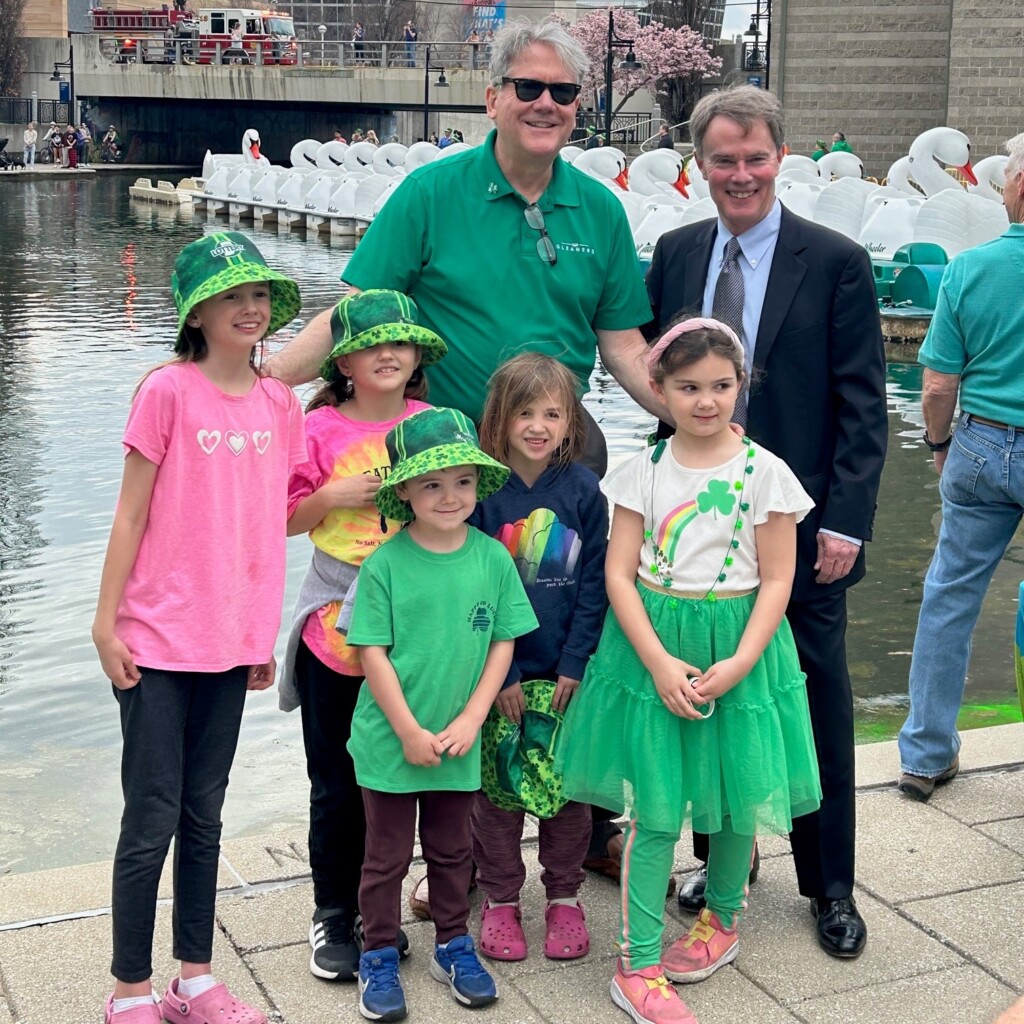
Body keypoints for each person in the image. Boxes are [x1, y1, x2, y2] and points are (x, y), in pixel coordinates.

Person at [646, 85, 887, 959]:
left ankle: (831, 883)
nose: (739, 174)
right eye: (722, 159)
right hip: (701, 531)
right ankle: (720, 863)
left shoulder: (834, 261)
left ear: (778, 158)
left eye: (754, 158)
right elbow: (659, 384)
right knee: (711, 691)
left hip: (804, 529)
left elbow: (865, 407)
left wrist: (847, 523)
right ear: (698, 164)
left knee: (816, 698)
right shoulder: (674, 255)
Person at [559, 317, 821, 1024]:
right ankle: (637, 961)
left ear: (741, 385)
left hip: (742, 642)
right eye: (688, 387)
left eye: (721, 386)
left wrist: (740, 659)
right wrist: (657, 660)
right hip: (653, 644)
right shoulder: (641, 470)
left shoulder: (765, 472)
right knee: (656, 810)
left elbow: (776, 579)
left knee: (736, 795)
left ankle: (722, 921)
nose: (706, 401)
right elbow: (617, 573)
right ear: (659, 388)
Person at [265, 21, 658, 481]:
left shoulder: (603, 210)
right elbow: (356, 316)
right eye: (528, 87)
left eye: (564, 92)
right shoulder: (429, 193)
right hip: (446, 453)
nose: (546, 104)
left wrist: (696, 415)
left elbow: (624, 345)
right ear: (493, 100)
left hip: (550, 448)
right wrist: (255, 379)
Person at [91, 232, 306, 1024]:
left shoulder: (279, 403)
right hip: (154, 639)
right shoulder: (167, 392)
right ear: (197, 311)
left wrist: (257, 637)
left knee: (205, 814)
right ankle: (128, 990)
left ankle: (194, 978)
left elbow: (258, 523)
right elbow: (131, 511)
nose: (249, 308)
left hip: (228, 643)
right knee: (149, 817)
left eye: (257, 296)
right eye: (231, 296)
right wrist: (105, 622)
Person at [345, 407, 538, 1022]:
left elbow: (504, 640)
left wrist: (475, 716)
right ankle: (377, 950)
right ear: (404, 490)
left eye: (460, 481)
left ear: (477, 484)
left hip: (459, 738)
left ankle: (453, 943)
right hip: (390, 740)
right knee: (386, 857)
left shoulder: (491, 558)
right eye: (430, 483)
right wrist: (406, 730)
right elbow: (370, 650)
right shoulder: (384, 565)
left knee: (455, 850)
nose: (448, 496)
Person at [277, 290, 446, 982]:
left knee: (407, 775)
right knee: (338, 780)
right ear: (342, 359)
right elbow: (281, 517)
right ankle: (333, 912)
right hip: (335, 619)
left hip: (419, 618)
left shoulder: (433, 423)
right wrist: (329, 499)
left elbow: (461, 509)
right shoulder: (314, 430)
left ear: (417, 357)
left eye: (401, 343)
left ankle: (383, 910)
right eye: (372, 344)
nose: (388, 354)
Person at [462, 353, 607, 961]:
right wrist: (505, 674)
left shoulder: (582, 490)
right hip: (498, 678)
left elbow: (599, 580)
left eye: (552, 412)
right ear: (500, 416)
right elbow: (472, 588)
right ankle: (499, 899)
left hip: (567, 676)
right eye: (525, 412)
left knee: (566, 794)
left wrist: (576, 661)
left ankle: (565, 897)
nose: (539, 425)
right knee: (497, 796)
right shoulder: (481, 492)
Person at [897, 133, 1024, 801]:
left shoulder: (970, 269)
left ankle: (924, 754)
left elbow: (939, 386)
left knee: (949, 597)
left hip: (980, 443)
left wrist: (941, 445)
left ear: (1018, 189)